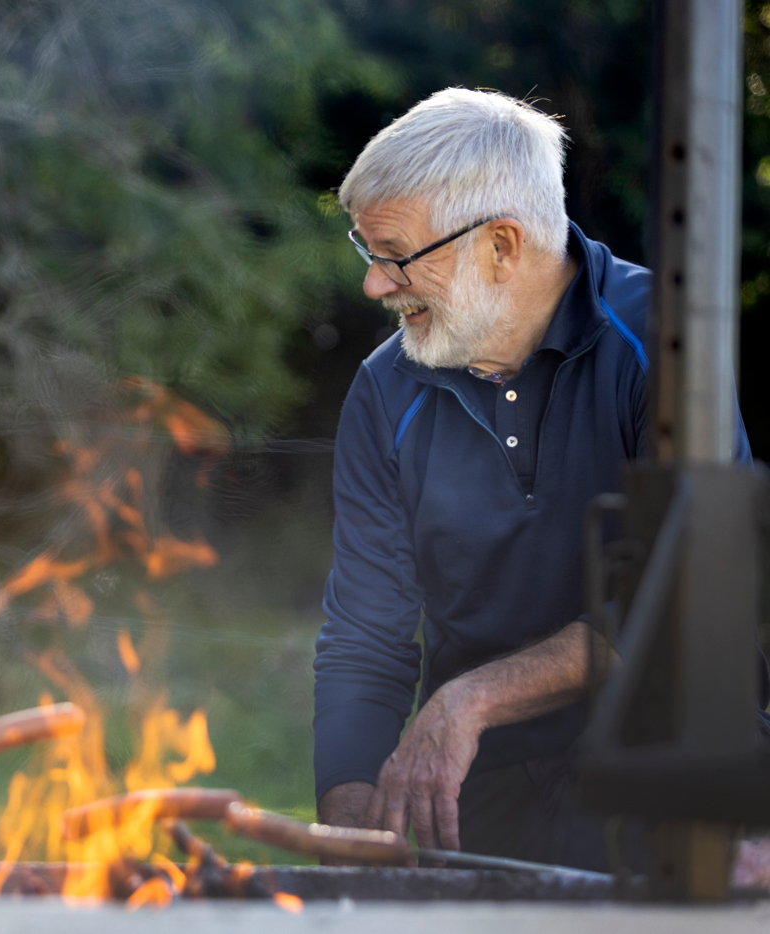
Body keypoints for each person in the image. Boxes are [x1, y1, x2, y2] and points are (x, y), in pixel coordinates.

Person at [312, 88, 764, 871]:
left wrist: (472, 699)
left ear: (501, 245)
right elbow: (364, 636)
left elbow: (699, 592)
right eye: (367, 253)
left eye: (394, 256)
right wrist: (349, 820)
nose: (374, 285)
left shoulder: (663, 338)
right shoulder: (385, 391)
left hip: (671, 775)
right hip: (485, 803)